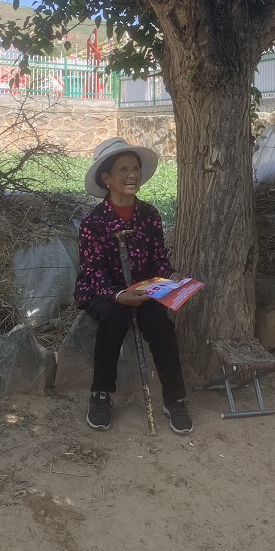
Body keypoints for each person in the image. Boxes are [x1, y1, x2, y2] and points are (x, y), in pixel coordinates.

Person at [74, 137, 192, 434]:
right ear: (107, 178)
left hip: (142, 288)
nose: (132, 175)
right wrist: (118, 295)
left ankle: (174, 398)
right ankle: (101, 393)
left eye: (135, 168)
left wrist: (172, 276)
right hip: (103, 290)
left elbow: (158, 261)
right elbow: (93, 272)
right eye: (123, 169)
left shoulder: (149, 215)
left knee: (160, 324)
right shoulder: (93, 222)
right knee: (114, 319)